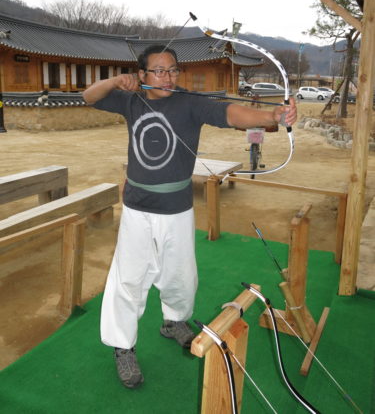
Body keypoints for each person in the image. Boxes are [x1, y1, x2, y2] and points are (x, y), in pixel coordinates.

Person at [83, 44, 297, 389]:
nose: (167, 77)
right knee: (129, 279)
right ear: (142, 75)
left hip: (177, 207)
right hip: (137, 207)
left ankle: (174, 321)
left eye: (172, 70)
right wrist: (114, 81)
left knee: (181, 275)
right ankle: (123, 346)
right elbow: (89, 96)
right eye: (159, 71)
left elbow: (231, 114)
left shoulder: (190, 103)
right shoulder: (130, 99)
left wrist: (273, 117)